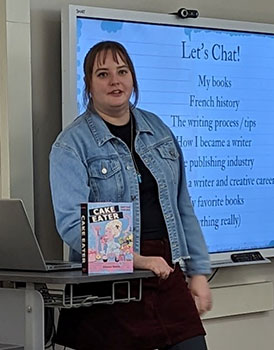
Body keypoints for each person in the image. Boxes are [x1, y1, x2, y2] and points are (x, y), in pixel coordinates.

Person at [49, 41, 212, 350]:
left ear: (133, 78)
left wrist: (200, 271)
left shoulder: (158, 129)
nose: (115, 81)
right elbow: (73, 225)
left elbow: (182, 204)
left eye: (122, 71)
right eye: (103, 74)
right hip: (109, 284)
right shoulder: (71, 145)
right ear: (88, 84)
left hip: (165, 270)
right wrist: (138, 260)